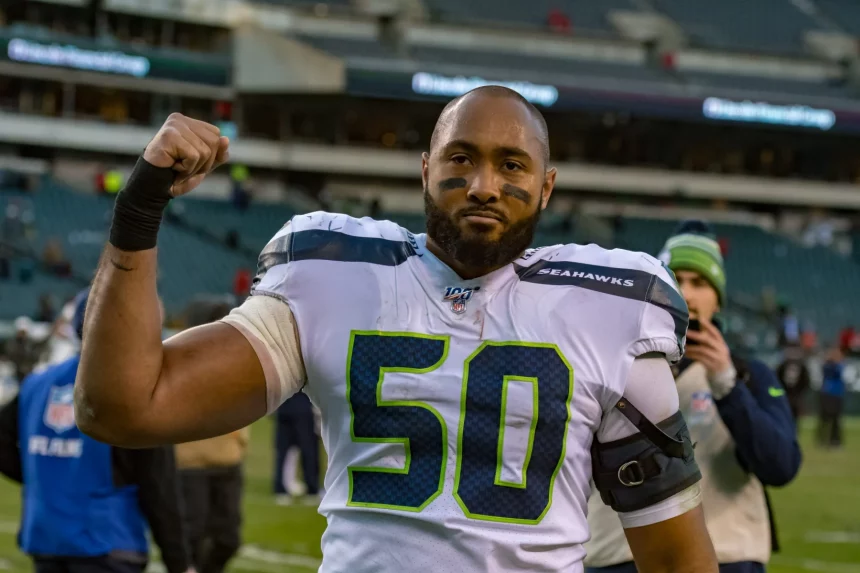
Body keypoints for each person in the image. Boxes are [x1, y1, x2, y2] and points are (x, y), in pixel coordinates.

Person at [75, 89, 719, 572]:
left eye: (512, 166)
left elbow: (674, 554)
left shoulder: (607, 308)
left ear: (547, 187)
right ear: (424, 169)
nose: (483, 185)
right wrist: (139, 208)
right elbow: (123, 407)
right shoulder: (330, 276)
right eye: (460, 158)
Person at [585, 221, 802, 573]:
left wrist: (727, 385)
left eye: (699, 283)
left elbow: (781, 466)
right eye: (675, 279)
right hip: (616, 555)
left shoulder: (750, 374)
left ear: (718, 298)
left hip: (724, 556)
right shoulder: (609, 364)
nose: (685, 292)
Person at [0, 290, 190, 573]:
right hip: (107, 542)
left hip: (47, 539)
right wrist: (180, 562)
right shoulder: (131, 391)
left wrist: (44, 477)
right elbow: (158, 486)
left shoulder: (36, 384)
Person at [176, 300, 248, 573]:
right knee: (191, 538)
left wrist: (240, 444)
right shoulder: (183, 359)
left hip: (228, 463)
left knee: (228, 539)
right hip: (191, 464)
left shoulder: (238, 361)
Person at [273, 392, 320, 505]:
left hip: (283, 405)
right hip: (302, 405)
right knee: (308, 448)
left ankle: (281, 488)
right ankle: (311, 489)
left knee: (283, 450)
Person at [818, 347, 846, 448]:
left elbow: (839, 372)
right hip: (827, 393)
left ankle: (835, 440)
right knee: (824, 419)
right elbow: (825, 371)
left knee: (836, 419)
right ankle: (822, 439)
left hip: (837, 394)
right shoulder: (827, 365)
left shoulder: (839, 366)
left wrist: (836, 362)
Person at [775, 345, 810, 423]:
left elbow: (806, 381)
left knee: (794, 419)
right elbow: (776, 380)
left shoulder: (802, 366)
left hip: (796, 397)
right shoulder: (782, 366)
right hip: (784, 396)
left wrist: (799, 394)